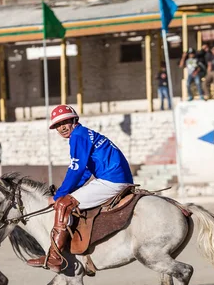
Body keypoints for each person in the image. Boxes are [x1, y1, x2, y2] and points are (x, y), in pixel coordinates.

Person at [26, 105, 133, 273]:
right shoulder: (84, 134)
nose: (61, 128)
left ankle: (54, 256)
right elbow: (86, 171)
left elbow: (76, 169)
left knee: (63, 205)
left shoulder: (78, 135)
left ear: (74, 120)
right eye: (57, 125)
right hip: (115, 177)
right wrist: (67, 191)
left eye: (65, 122)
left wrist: (59, 195)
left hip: (112, 179)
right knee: (68, 198)